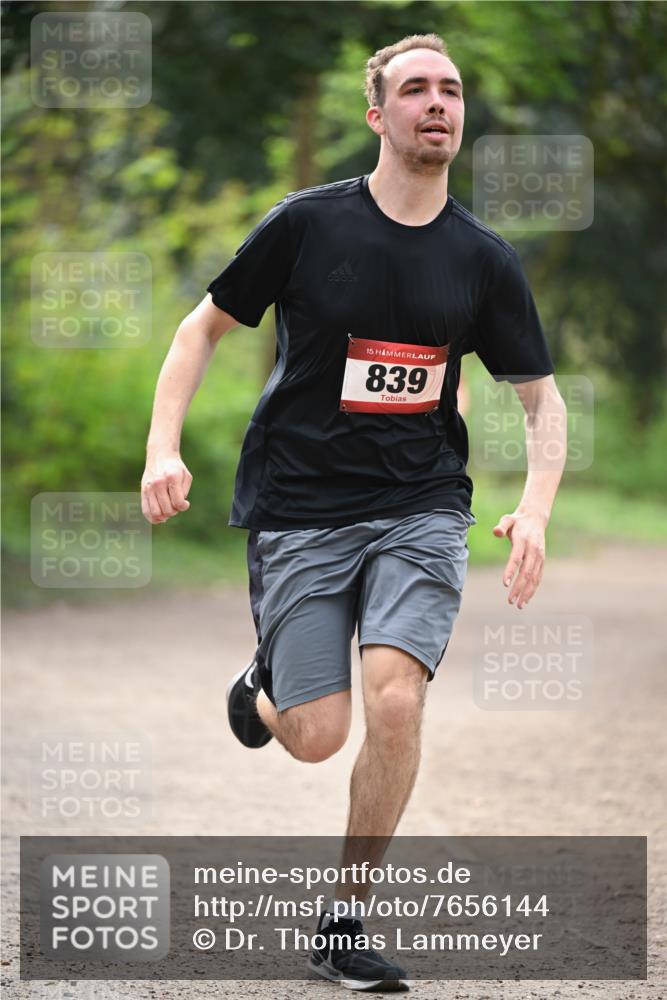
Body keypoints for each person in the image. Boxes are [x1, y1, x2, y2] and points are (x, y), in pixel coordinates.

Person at [142, 33, 567, 993]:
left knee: (395, 698)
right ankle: (262, 690)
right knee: (319, 733)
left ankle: (344, 919)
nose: (436, 104)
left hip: (419, 505)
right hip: (299, 505)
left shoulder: (482, 260)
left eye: (451, 91)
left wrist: (534, 509)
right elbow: (198, 329)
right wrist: (163, 447)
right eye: (414, 89)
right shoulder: (307, 224)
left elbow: (542, 398)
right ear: (377, 115)